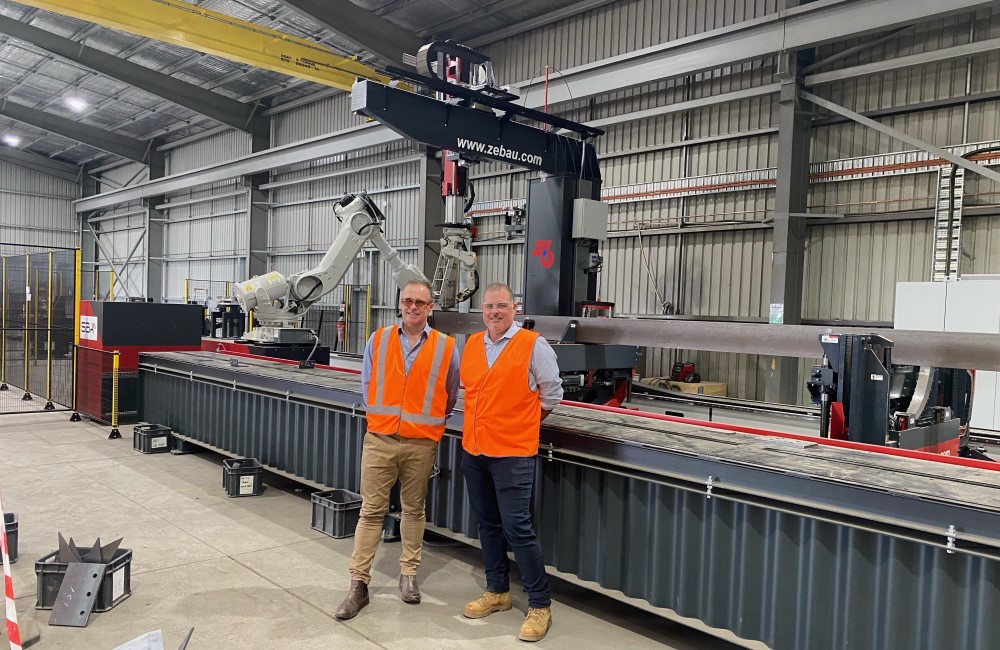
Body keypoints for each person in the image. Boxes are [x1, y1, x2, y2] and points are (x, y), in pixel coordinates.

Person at [335, 279, 460, 620]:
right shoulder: (379, 339)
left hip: (421, 442)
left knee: (413, 510)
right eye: (408, 300)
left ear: (430, 307)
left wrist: (425, 423)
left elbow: (450, 394)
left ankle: (408, 575)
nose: (413, 306)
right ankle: (358, 585)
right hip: (380, 440)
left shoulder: (447, 347)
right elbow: (367, 383)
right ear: (400, 304)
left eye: (420, 302)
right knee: (371, 511)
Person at [459, 282, 564, 642]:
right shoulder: (472, 345)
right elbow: (472, 393)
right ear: (482, 310)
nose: (494, 312)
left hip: (513, 454)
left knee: (518, 528)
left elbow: (552, 393)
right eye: (489, 307)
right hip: (475, 451)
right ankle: (498, 591)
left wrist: (523, 425)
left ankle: (540, 604)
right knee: (488, 524)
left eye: (501, 306)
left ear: (514, 308)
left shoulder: (533, 345)